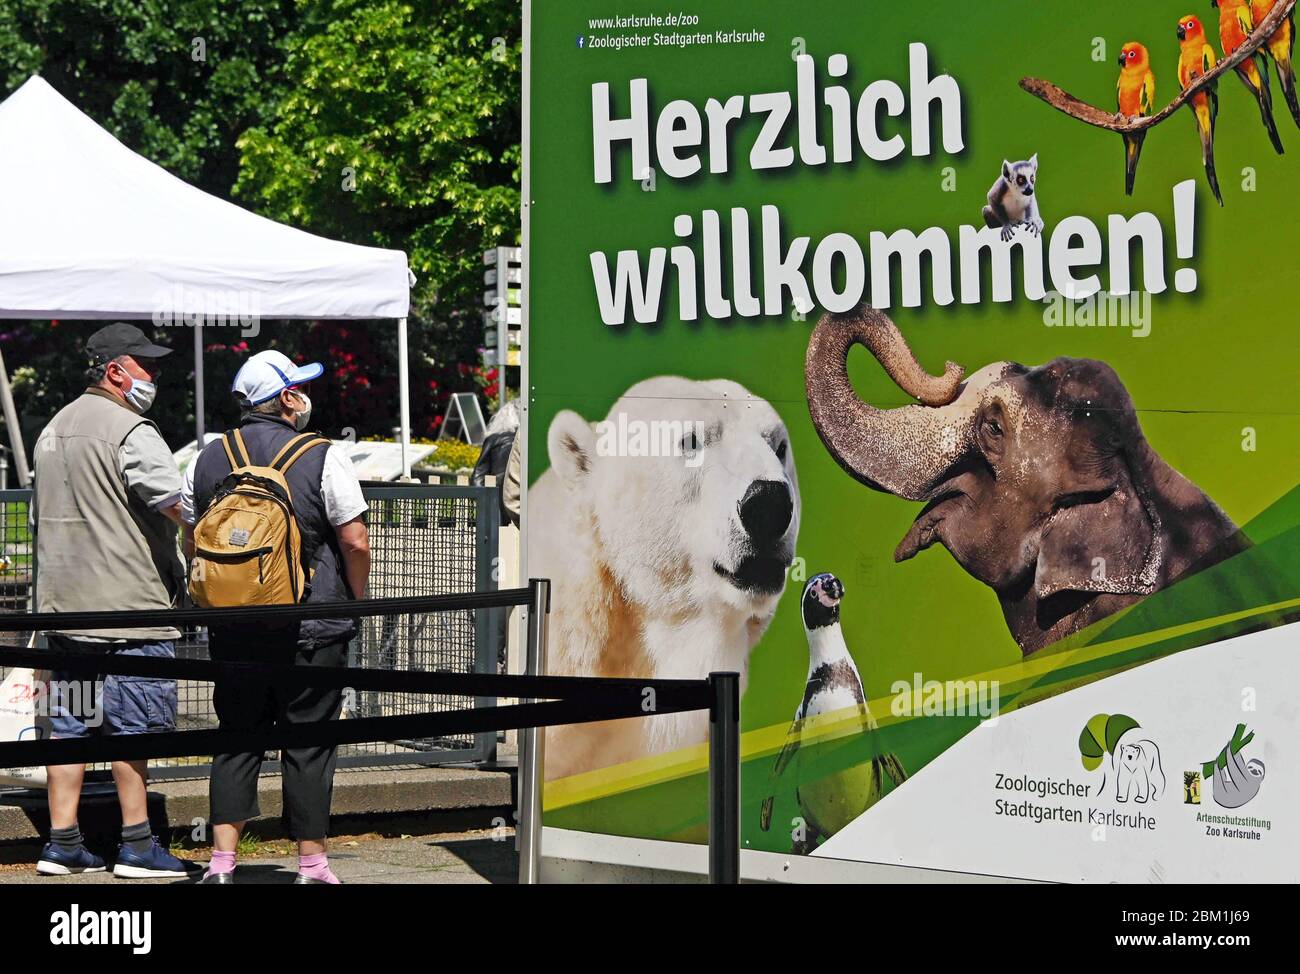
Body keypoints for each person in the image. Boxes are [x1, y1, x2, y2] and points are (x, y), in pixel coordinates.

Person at [182, 349, 371, 885]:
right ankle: (312, 865)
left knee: (237, 735)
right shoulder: (322, 454)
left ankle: (221, 864)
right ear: (288, 397)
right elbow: (354, 539)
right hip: (312, 626)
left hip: (235, 625)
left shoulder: (210, 457)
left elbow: (193, 536)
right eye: (300, 388)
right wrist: (351, 601)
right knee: (309, 742)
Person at [31, 322, 191, 879]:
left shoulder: (51, 429)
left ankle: (62, 844)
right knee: (133, 730)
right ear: (116, 370)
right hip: (131, 610)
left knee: (68, 728)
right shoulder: (131, 429)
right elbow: (178, 504)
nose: (155, 374)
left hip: (63, 611)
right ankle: (138, 846)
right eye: (145, 364)